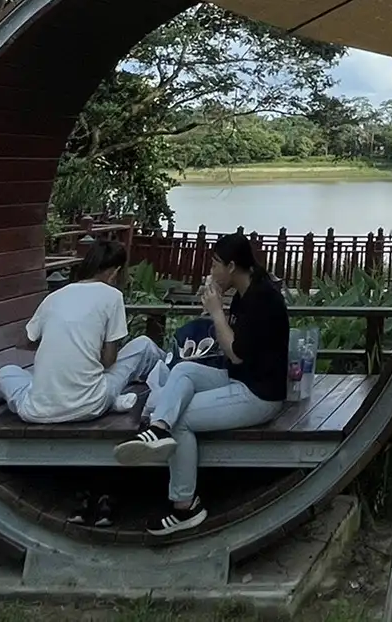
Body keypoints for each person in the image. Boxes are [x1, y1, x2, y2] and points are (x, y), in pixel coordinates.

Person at [114, 229, 290, 538]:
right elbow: (230, 347)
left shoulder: (263, 300)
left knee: (181, 419)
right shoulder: (245, 294)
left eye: (214, 264)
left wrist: (217, 312)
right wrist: (216, 310)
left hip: (259, 395)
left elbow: (235, 354)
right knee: (183, 371)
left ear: (232, 267)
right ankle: (158, 429)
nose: (211, 271)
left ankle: (185, 507)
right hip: (238, 379)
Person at [0, 239, 163, 429]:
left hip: (35, 411)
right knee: (144, 345)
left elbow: (23, 342)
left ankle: (111, 400)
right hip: (90, 405)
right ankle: (119, 399)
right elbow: (109, 361)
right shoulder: (112, 296)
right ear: (115, 272)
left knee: (6, 372)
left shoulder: (54, 297)